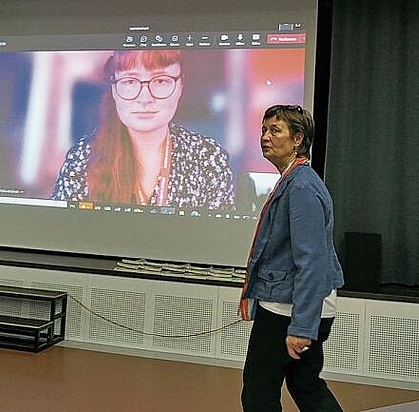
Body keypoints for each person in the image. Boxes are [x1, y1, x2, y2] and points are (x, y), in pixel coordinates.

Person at [239, 104, 345, 412]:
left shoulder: (300, 187)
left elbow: (312, 262)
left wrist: (301, 327)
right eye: (263, 130)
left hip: (289, 309)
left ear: (298, 139)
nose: (265, 137)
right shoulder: (296, 181)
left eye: (275, 130)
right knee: (306, 384)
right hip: (298, 306)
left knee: (259, 392)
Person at [51, 50, 234, 209]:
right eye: (130, 81)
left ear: (180, 86)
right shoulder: (82, 159)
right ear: (114, 90)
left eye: (161, 80)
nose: (145, 98)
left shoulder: (208, 158)